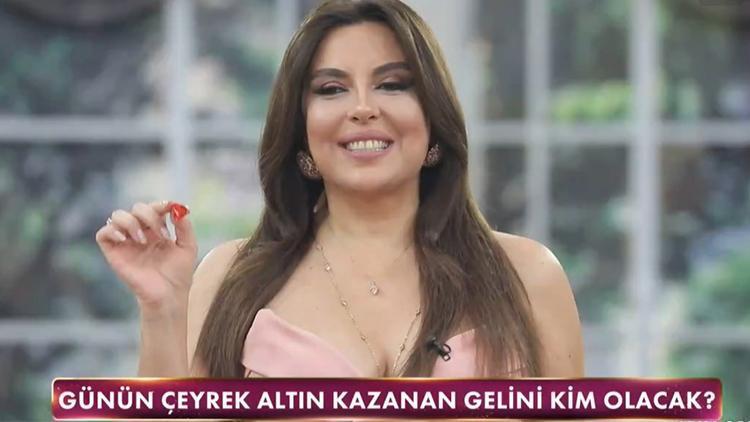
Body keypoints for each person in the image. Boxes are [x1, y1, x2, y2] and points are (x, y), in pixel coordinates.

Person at [96, 0, 583, 385]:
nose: (363, 108)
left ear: (433, 123)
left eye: (392, 84)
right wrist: (162, 308)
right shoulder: (229, 279)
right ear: (302, 132)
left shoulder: (528, 277)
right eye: (331, 89)